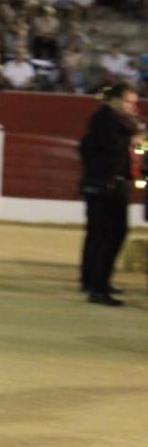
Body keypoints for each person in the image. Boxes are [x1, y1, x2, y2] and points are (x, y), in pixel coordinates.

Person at [78, 83, 139, 306]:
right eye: (128, 101)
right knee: (110, 234)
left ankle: (93, 281)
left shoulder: (108, 120)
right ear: (114, 100)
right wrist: (135, 135)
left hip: (106, 184)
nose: (131, 106)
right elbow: (114, 150)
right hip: (108, 186)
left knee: (99, 234)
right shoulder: (109, 122)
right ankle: (98, 286)